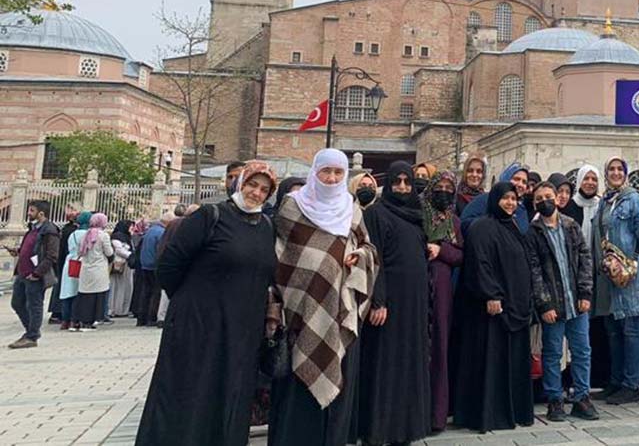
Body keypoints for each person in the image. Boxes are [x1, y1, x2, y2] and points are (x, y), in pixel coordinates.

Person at [135, 161, 279, 446]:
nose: (256, 193)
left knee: (229, 393)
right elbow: (170, 264)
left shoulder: (266, 226)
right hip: (198, 325)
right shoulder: (211, 216)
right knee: (189, 391)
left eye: (264, 189)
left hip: (242, 330)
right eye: (252, 184)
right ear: (241, 184)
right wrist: (192, 303)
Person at [270, 149, 378, 446]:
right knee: (297, 391)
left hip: (339, 308)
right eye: (325, 172)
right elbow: (281, 254)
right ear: (314, 172)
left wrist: (360, 256)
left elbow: (368, 248)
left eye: (338, 173)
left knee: (337, 382)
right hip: (299, 310)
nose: (331, 178)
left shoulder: (351, 208)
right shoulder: (293, 206)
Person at [356, 162, 432, 445]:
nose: (402, 187)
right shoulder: (377, 212)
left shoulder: (415, 215)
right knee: (384, 364)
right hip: (388, 303)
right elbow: (374, 259)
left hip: (413, 303)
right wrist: (378, 300)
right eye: (397, 182)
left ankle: (405, 428)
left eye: (407, 182)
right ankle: (378, 429)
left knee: (409, 363)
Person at [453, 182, 535, 432]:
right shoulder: (482, 227)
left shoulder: (513, 226)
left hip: (515, 306)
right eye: (505, 198)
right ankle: (490, 415)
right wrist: (491, 294)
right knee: (491, 361)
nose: (510, 203)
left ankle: (514, 410)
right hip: (493, 309)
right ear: (494, 200)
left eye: (514, 198)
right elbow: (481, 264)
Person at [528, 180, 598, 421]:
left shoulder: (571, 226)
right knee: (552, 353)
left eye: (548, 196)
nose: (544, 201)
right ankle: (554, 399)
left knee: (582, 350)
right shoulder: (533, 232)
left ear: (557, 198)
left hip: (577, 301)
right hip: (553, 304)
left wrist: (586, 293)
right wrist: (544, 304)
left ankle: (582, 397)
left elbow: (585, 260)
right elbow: (534, 271)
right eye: (539, 198)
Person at [593, 157, 639, 405]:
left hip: (631, 276)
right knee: (613, 329)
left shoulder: (634, 199)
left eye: (620, 169)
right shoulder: (604, 202)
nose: (616, 173)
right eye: (611, 169)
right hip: (610, 275)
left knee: (631, 329)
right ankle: (616, 380)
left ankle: (631, 384)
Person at [562, 164, 608, 388]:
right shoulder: (570, 207)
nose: (590, 182)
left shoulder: (603, 207)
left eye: (594, 179)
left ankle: (597, 377)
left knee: (598, 326)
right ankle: (572, 380)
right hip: (575, 274)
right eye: (586, 178)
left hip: (599, 273)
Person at [425, 171, 463, 432]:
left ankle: (436, 416)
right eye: (439, 186)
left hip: (442, 293)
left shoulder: (454, 221)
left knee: (439, 347)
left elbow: (460, 254)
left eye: (449, 187)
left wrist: (440, 249)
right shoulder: (418, 214)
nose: (444, 191)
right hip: (416, 289)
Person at [7, 201, 60, 348]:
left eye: (31, 210)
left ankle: (32, 336)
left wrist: (37, 273)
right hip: (23, 273)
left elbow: (51, 255)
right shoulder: (32, 229)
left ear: (41, 213)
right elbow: (31, 247)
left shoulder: (49, 230)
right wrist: (18, 251)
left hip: (35, 275)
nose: (29, 213)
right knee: (17, 303)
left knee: (34, 305)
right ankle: (30, 331)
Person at [69, 212, 113, 331]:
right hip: (98, 268)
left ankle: (80, 320)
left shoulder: (85, 234)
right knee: (96, 296)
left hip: (86, 268)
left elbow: (80, 251)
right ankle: (91, 320)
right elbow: (109, 252)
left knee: (85, 295)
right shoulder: (103, 236)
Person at [461, 162, 530, 235]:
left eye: (524, 182)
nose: (520, 184)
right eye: (516, 179)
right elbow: (465, 225)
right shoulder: (485, 199)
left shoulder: (521, 210)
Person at [132, 213, 166, 327]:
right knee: (156, 292)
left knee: (145, 291)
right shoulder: (161, 233)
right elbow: (160, 250)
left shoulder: (149, 231)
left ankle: (141, 318)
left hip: (145, 265)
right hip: (154, 265)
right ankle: (151, 317)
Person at [47, 204, 78, 324]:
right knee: (66, 289)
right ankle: (59, 313)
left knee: (61, 288)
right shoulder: (72, 231)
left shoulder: (65, 229)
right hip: (68, 262)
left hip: (62, 262)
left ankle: (57, 313)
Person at [108, 218, 135, 318]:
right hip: (120, 264)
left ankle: (122, 309)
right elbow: (119, 250)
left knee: (125, 287)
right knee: (117, 287)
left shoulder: (127, 237)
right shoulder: (117, 237)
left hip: (126, 265)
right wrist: (130, 255)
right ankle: (115, 309)